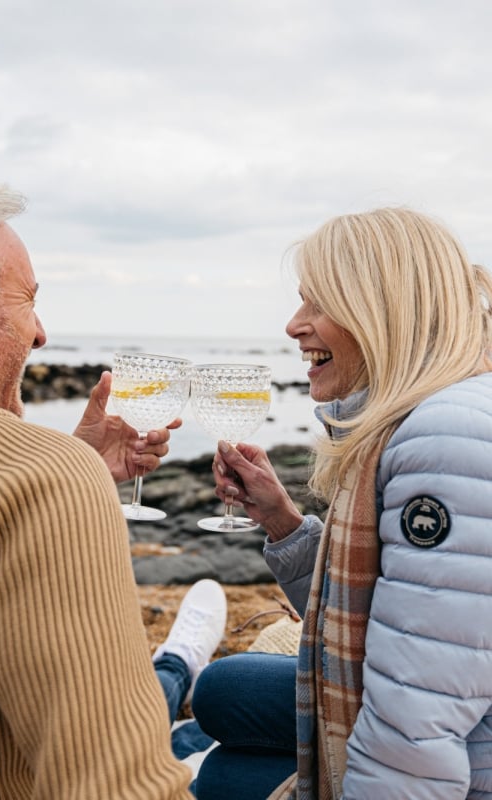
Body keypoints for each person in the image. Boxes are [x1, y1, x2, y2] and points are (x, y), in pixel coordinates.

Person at [0, 174, 199, 799]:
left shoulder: (33, 475)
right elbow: (116, 788)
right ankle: (178, 666)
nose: (40, 335)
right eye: (28, 299)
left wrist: (73, 464)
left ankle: (177, 666)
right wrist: (58, 475)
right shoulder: (41, 479)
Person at [191, 207, 492, 799]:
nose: (293, 325)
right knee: (224, 693)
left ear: (380, 313)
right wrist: (282, 522)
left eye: (317, 304)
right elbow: (389, 618)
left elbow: (416, 731)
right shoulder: (431, 415)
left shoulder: (446, 441)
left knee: (221, 774)